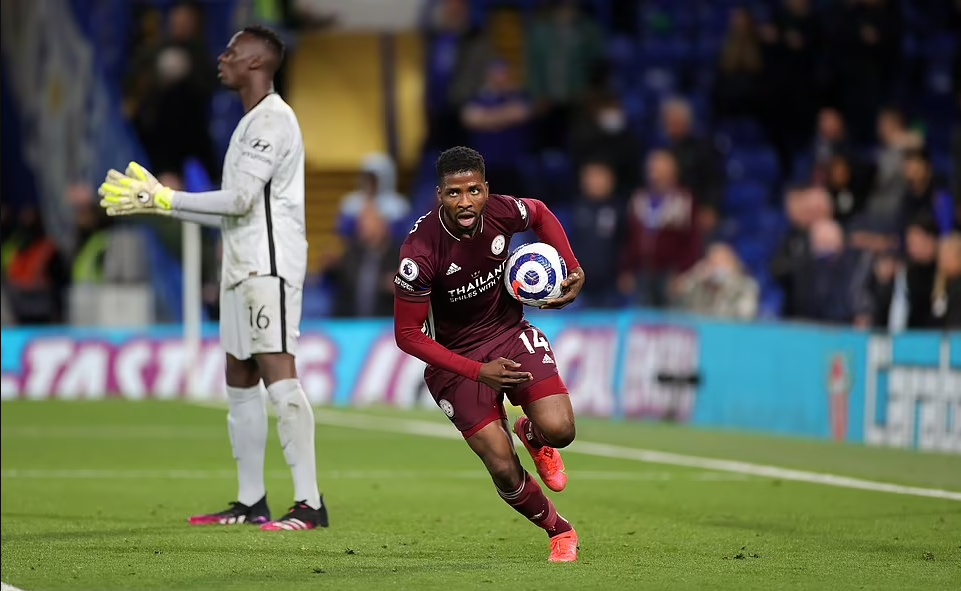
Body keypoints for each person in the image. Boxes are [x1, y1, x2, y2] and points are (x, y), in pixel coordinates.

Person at [98, 25, 327, 532]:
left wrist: (167, 199)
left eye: (233, 51)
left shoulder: (272, 120)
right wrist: (160, 204)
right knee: (240, 378)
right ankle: (251, 501)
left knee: (277, 370)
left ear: (256, 63)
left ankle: (310, 504)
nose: (221, 57)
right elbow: (232, 211)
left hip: (269, 266)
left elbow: (242, 200)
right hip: (239, 266)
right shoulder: (247, 124)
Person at [393, 147, 584, 563]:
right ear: (439, 195)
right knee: (500, 464)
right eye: (454, 193)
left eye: (474, 191)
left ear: (486, 189)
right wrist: (479, 372)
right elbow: (407, 335)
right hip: (457, 360)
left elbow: (540, 213)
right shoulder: (419, 253)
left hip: (508, 333)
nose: (465, 203)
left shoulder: (501, 212)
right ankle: (560, 531)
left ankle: (532, 434)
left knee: (561, 430)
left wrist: (571, 266)